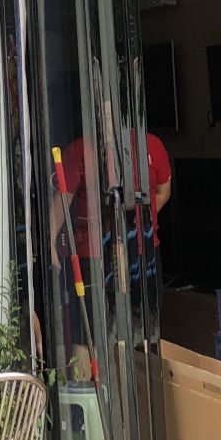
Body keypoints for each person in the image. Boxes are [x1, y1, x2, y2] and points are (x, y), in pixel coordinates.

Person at [49, 131, 172, 377]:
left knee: (144, 333)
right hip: (94, 258)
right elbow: (61, 202)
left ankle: (139, 389)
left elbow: (163, 191)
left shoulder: (152, 145)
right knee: (88, 337)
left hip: (142, 257)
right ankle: (87, 396)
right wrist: (50, 243)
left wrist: (136, 227)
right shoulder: (81, 150)